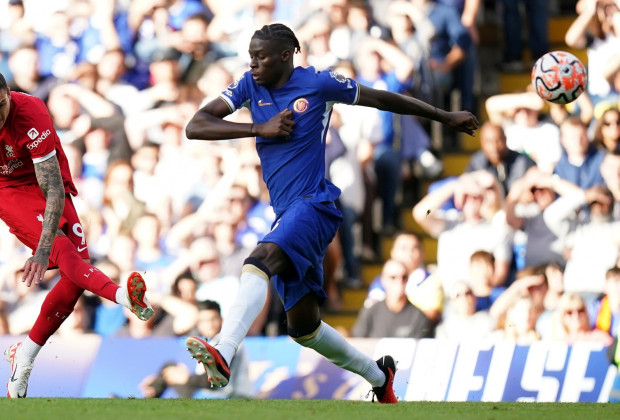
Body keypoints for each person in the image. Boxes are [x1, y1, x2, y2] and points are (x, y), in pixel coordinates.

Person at [182, 23, 479, 404]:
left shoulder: (319, 84)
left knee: (257, 262)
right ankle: (379, 376)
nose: (253, 63)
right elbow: (196, 125)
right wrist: (260, 127)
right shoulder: (248, 85)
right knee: (303, 329)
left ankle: (224, 350)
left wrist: (443, 115)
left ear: (287, 55)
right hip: (286, 212)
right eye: (251, 55)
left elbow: (382, 98)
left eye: (261, 56)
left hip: (314, 205)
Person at [0, 67, 155, 398]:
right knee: (69, 256)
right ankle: (122, 297)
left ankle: (25, 355)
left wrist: (42, 251)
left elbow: (53, 188)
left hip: (49, 184)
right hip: (6, 191)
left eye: (2, 104)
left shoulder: (30, 113)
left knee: (74, 277)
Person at [139, 300, 253, 399]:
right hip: (211, 395)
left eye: (213, 319)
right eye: (203, 321)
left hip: (233, 397)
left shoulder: (228, 343)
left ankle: (150, 397)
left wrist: (187, 379)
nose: (209, 325)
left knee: (172, 372)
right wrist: (160, 378)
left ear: (221, 320)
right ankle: (151, 393)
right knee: (170, 368)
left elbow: (215, 380)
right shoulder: (210, 341)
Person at [351, 259, 434, 339]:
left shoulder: (418, 317)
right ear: (383, 280)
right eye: (393, 277)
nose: (399, 281)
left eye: (404, 277)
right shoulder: (371, 312)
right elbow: (358, 341)